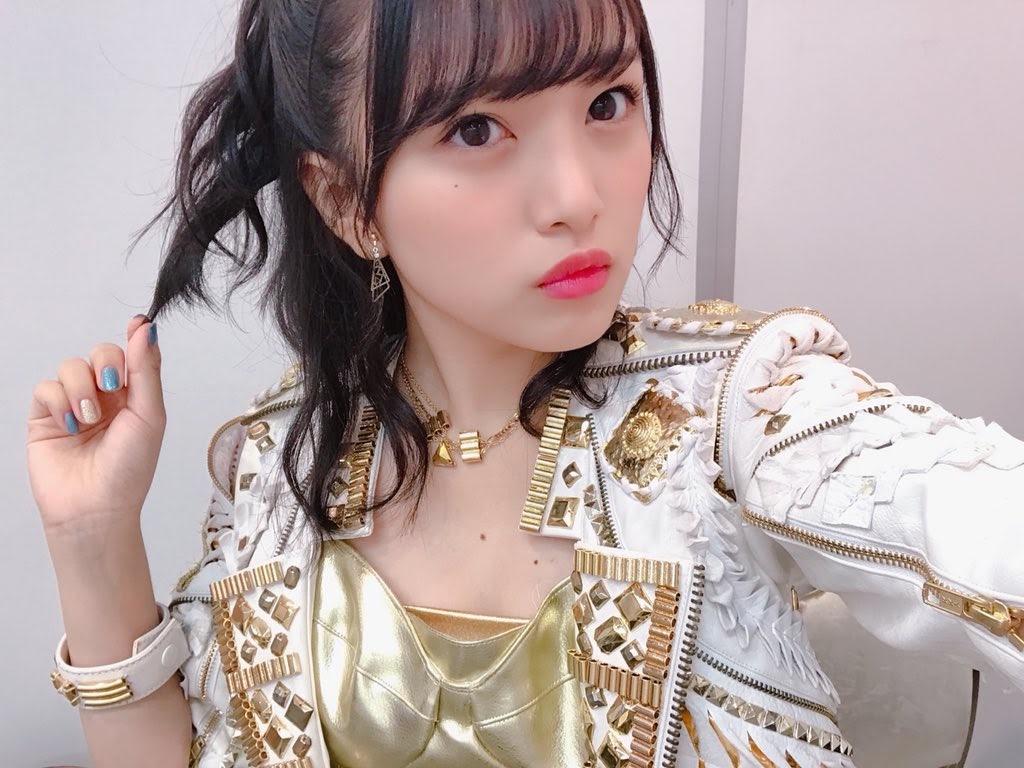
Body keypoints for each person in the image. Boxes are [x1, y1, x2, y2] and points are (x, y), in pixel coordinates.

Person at [25, 1, 1024, 766]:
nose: (577, 196)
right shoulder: (283, 467)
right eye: (476, 129)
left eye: (607, 103)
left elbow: (967, 516)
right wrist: (92, 538)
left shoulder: (736, 412)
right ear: (346, 200)